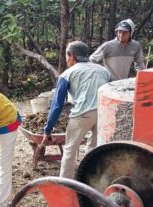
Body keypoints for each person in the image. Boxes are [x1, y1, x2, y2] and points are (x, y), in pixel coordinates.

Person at [42, 41, 111, 179]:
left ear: (72, 56)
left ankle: (65, 182)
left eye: (66, 55)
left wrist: (48, 130)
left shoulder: (67, 74)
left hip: (82, 115)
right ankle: (87, 180)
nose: (66, 59)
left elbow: (57, 105)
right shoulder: (103, 71)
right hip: (103, 113)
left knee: (70, 150)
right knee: (93, 149)